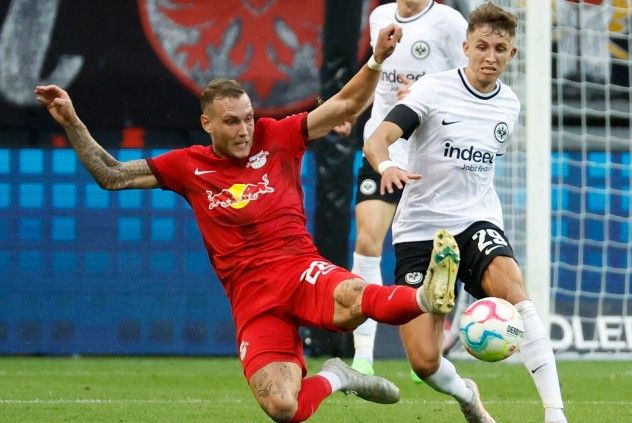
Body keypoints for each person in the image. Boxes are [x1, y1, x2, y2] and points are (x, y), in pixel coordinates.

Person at [35, 24, 461, 423]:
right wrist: (72, 122)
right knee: (282, 407)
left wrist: (375, 60)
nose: (244, 130)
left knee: (353, 297)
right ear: (207, 124)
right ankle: (336, 375)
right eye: (232, 122)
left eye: (249, 118)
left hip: (299, 270)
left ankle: (425, 298)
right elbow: (111, 175)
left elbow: (346, 105)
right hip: (252, 300)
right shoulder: (188, 166)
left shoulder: (277, 137)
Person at [364, 4, 568, 423]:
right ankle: (468, 396)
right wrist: (388, 167)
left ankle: (555, 412)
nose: (489, 57)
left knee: (518, 296)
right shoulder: (432, 90)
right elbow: (379, 138)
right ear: (465, 48)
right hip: (420, 230)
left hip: (475, 222)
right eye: (481, 47)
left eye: (499, 48)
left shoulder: (509, 105)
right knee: (425, 362)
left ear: (512, 54)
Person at [350, 0, 468, 378]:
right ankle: (363, 355)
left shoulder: (450, 23)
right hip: (383, 147)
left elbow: (471, 83)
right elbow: (376, 75)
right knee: (368, 240)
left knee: (436, 254)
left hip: (430, 155)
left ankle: (435, 344)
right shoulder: (379, 17)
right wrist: (351, 110)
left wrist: (423, 95)